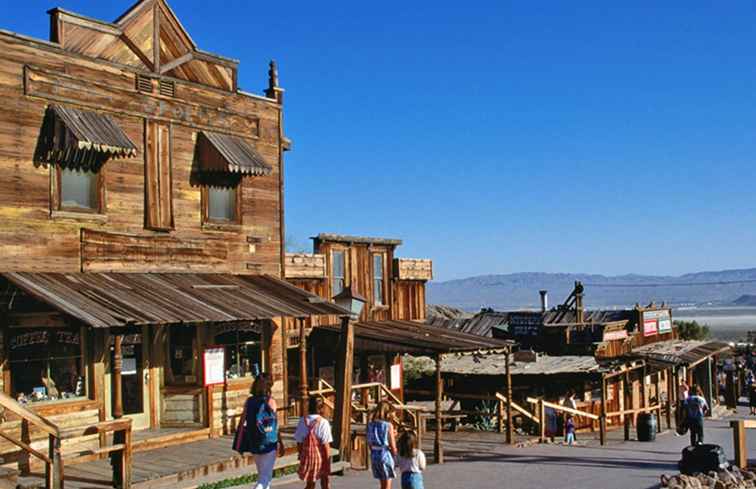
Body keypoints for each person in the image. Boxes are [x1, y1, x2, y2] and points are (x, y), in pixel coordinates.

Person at [244, 374, 285, 489]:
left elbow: (243, 421)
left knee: (262, 474)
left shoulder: (249, 401)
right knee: (265, 478)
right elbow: (275, 425)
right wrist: (280, 442)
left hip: (255, 442)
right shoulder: (270, 401)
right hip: (269, 441)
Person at [295, 397, 332, 489]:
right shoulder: (323, 422)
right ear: (321, 408)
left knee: (310, 484)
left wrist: (301, 455)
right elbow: (325, 445)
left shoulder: (302, 421)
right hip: (320, 457)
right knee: (325, 482)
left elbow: (299, 442)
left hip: (307, 456)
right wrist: (327, 462)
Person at [367, 401, 397, 489]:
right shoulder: (388, 425)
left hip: (375, 454)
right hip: (385, 454)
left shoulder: (370, 425)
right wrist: (395, 455)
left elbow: (369, 442)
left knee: (382, 484)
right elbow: (393, 445)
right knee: (387, 483)